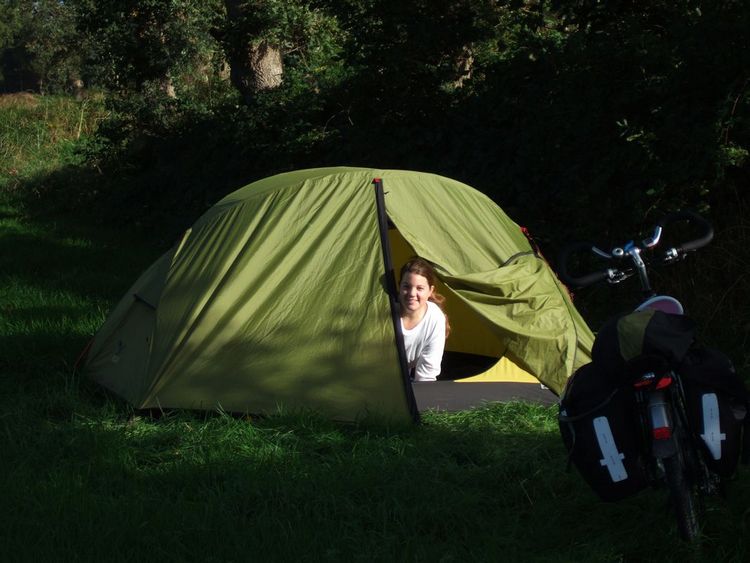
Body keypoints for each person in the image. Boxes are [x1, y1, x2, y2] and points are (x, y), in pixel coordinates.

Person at [398, 257, 450, 382]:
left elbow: (426, 375)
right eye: (406, 286)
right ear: (399, 286)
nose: (411, 293)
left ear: (430, 291)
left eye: (419, 288)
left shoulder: (435, 319)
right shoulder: (384, 309)